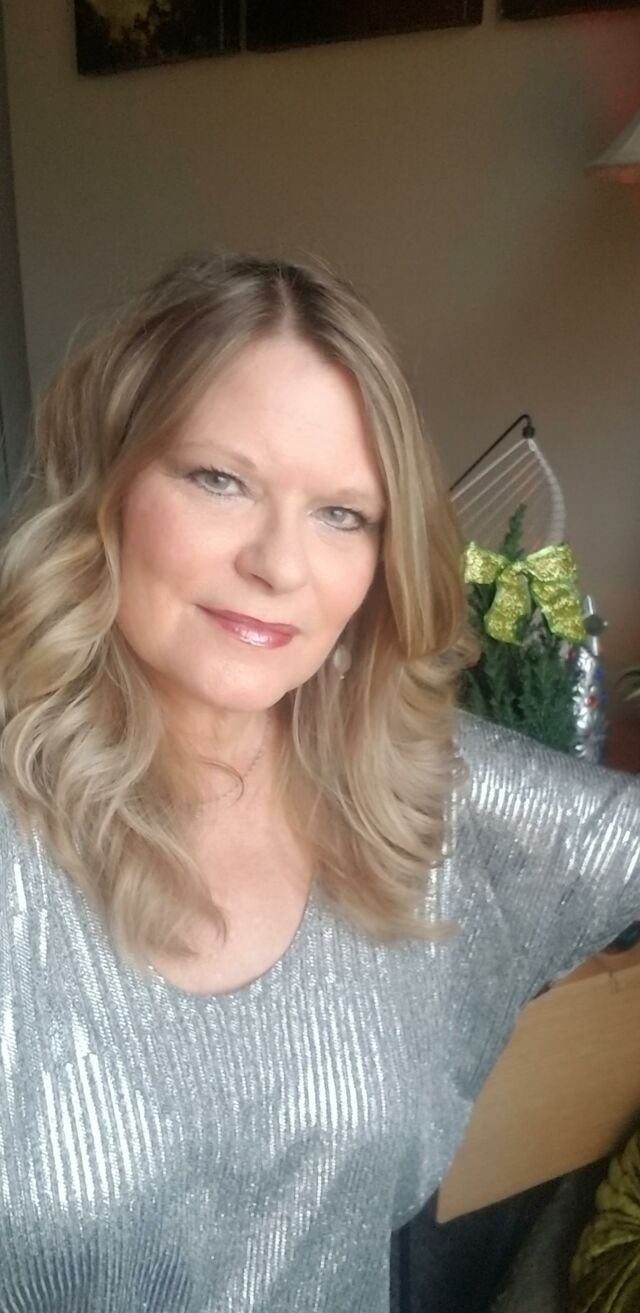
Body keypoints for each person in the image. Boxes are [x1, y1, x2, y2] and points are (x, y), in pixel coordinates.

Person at [0, 251, 637, 1313]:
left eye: (342, 513)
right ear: (106, 481)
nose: (279, 564)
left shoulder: (416, 787)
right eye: (220, 479)